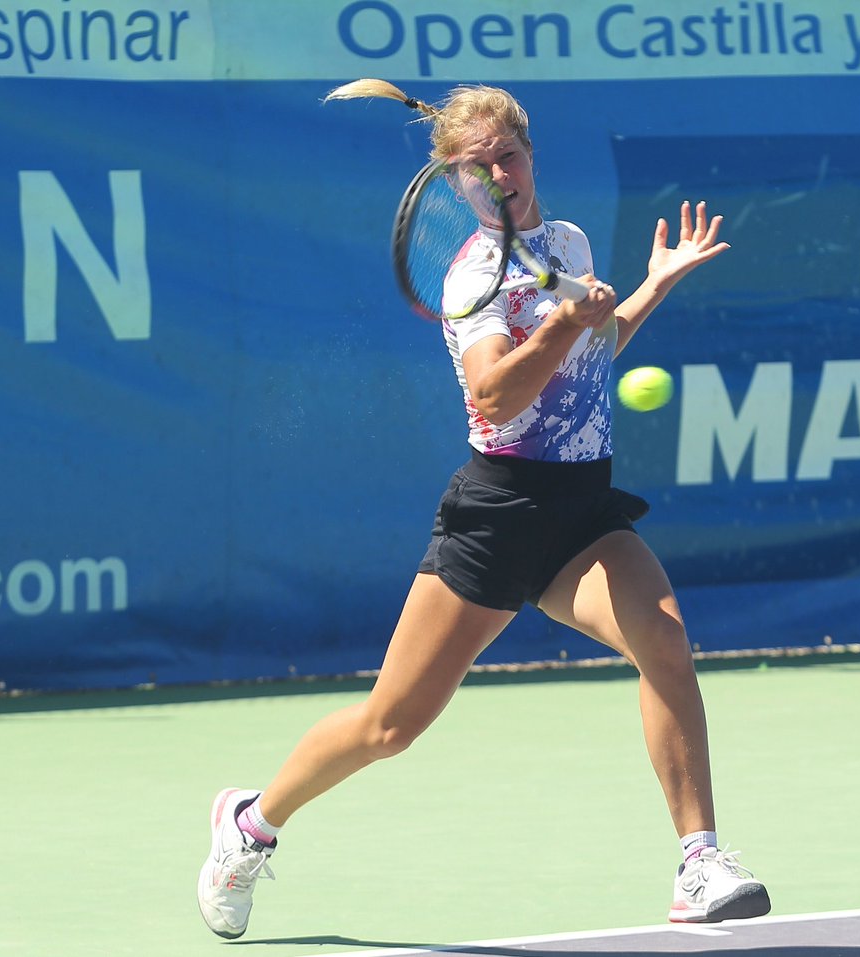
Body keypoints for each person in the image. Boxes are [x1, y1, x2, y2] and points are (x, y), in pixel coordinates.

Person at [197, 79, 770, 939]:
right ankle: (250, 823)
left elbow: (590, 351)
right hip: (498, 514)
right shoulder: (474, 274)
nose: (499, 176)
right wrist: (559, 326)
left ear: (530, 152)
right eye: (477, 168)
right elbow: (497, 396)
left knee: (664, 637)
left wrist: (651, 286)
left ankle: (700, 861)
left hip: (581, 509)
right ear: (456, 186)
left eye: (508, 155)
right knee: (391, 726)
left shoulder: (566, 239)